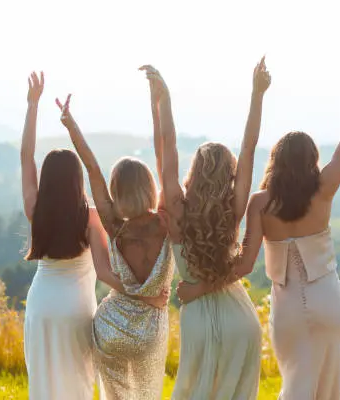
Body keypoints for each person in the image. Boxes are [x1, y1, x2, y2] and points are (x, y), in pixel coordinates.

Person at [178, 42, 340, 399]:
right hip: (327, 298)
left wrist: (199, 288)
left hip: (288, 305)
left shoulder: (260, 204)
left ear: (274, 161)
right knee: (329, 388)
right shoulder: (323, 191)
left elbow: (243, 266)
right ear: (312, 160)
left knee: (295, 384)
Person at [141, 57, 271, 399]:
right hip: (240, 319)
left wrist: (162, 100)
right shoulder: (234, 209)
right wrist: (257, 95)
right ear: (229, 174)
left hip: (198, 319)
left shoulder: (178, 209)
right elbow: (249, 146)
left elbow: (165, 149)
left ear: (194, 172)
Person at [55, 81, 172, 399]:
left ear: (117, 192)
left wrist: (70, 124)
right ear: (150, 187)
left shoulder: (114, 225)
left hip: (110, 326)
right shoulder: (166, 223)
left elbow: (92, 168)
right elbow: (163, 157)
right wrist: (156, 102)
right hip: (150, 329)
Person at [21, 71, 130, 400]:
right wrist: (143, 291)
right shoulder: (90, 218)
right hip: (75, 310)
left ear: (48, 181)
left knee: (44, 385)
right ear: (76, 181)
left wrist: (32, 105)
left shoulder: (35, 209)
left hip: (40, 306)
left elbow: (26, 156)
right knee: (78, 387)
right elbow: (105, 273)